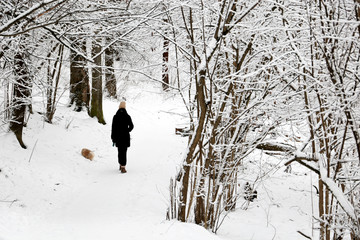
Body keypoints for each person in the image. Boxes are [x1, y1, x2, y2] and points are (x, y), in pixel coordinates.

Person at [111, 101, 134, 173]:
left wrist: (113, 137)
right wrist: (127, 130)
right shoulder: (127, 116)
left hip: (118, 137)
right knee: (124, 151)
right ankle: (123, 166)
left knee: (119, 151)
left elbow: (113, 128)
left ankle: (120, 164)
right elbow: (132, 126)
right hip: (125, 137)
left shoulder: (115, 116)